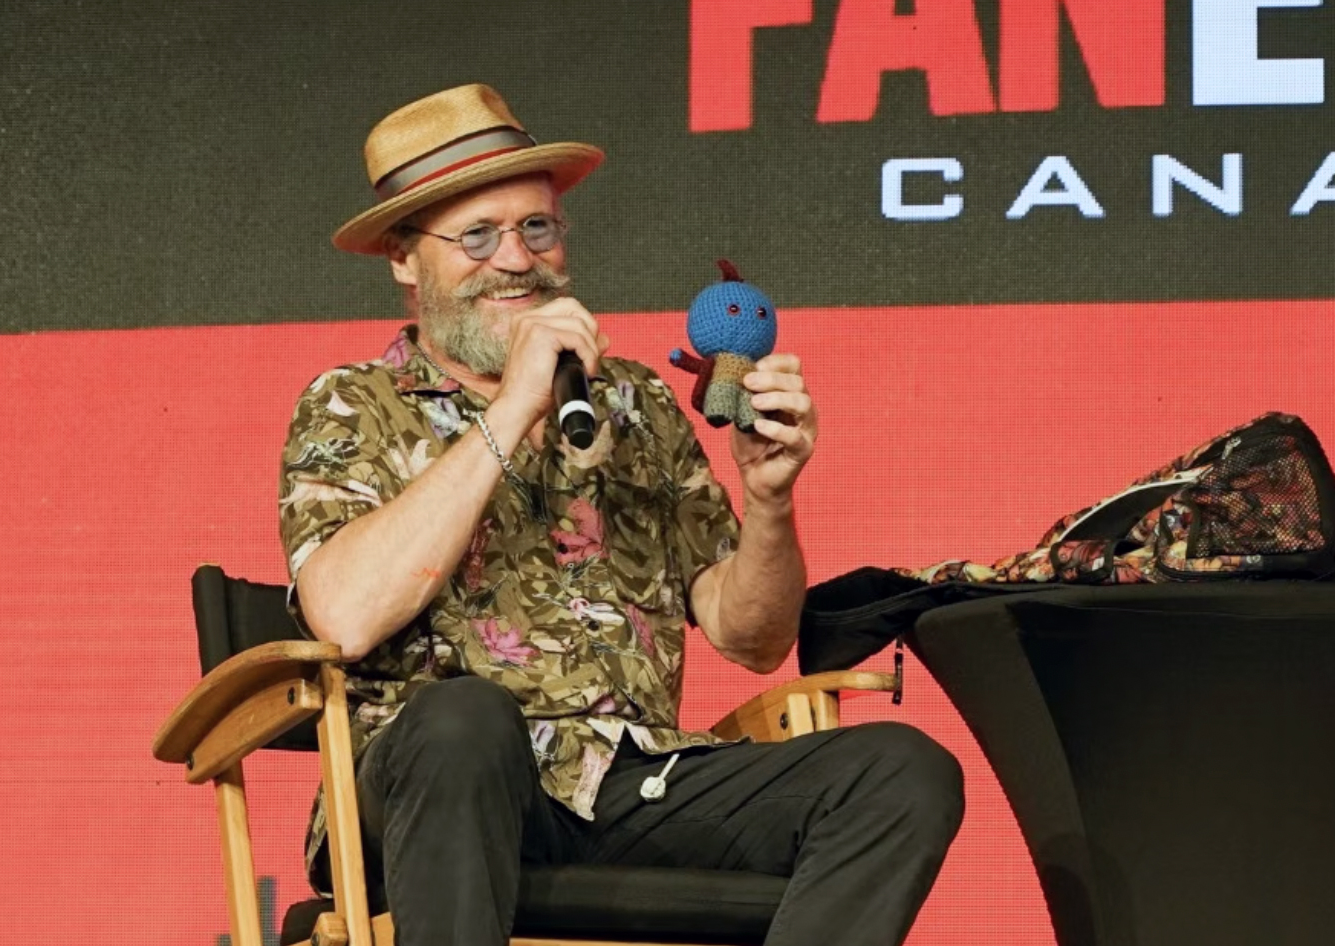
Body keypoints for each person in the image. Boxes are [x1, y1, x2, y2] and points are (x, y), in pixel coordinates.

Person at [279, 83, 963, 946]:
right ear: (405, 261)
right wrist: (513, 408)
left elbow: (750, 637)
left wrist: (769, 498)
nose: (517, 258)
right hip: (442, 789)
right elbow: (343, 616)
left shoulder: (635, 402)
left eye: (536, 227)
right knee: (465, 718)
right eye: (477, 236)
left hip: (628, 780)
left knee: (901, 770)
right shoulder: (352, 403)